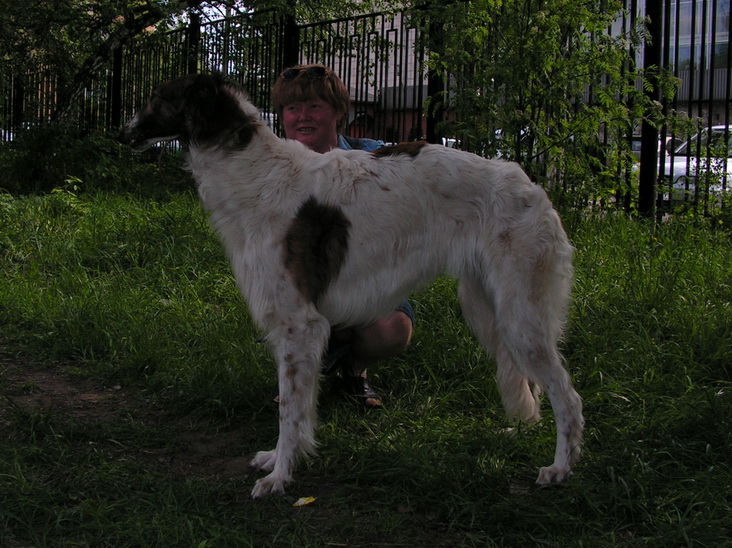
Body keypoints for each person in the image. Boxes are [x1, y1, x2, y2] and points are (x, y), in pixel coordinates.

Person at [271, 63, 415, 407]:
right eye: (293, 108)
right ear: (282, 117)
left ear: (338, 113)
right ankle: (301, 373)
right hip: (303, 284)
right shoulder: (271, 171)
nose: (303, 117)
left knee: (392, 329)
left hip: (368, 279)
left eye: (315, 106)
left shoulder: (373, 157)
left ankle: (354, 369)